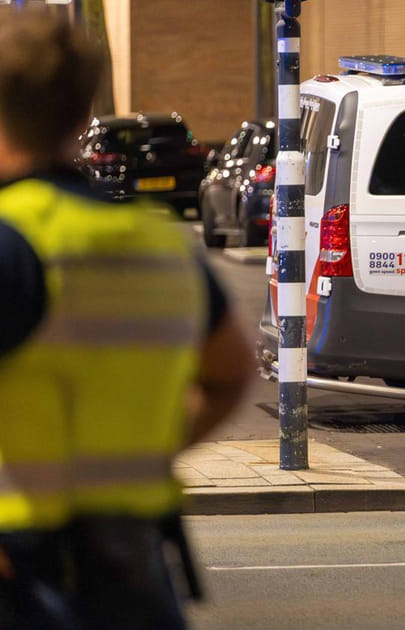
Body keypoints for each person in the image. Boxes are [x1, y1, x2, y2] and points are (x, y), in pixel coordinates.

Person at [0, 10, 252, 629]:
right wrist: (141, 450)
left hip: (23, 572)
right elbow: (230, 374)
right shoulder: (159, 244)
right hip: (135, 570)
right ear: (82, 114)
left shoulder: (12, 240)